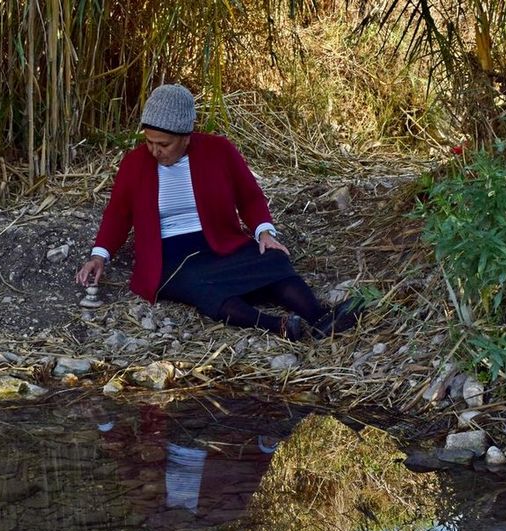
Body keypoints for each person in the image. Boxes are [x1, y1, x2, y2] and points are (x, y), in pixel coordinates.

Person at [76, 83, 355, 340]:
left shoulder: (219, 151)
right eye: (149, 142)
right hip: (169, 257)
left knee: (273, 262)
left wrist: (264, 232)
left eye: (163, 144)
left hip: (221, 243)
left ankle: (320, 320)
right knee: (202, 287)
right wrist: (99, 256)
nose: (154, 151)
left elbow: (249, 197)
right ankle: (279, 326)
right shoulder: (134, 164)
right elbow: (118, 214)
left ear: (186, 136)